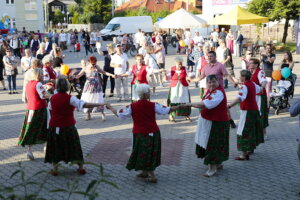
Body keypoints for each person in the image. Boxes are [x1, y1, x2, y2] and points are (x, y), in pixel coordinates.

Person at [106, 84, 184, 183]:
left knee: (143, 152)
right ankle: (146, 173)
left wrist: (110, 107)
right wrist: (180, 106)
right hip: (152, 132)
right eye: (149, 91)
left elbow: (119, 113)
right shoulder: (154, 105)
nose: (150, 93)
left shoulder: (132, 106)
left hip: (139, 133)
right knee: (149, 153)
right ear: (146, 94)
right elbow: (167, 110)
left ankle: (151, 175)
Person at [45, 78, 108, 176]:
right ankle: (81, 167)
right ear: (67, 86)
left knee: (56, 147)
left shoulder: (52, 98)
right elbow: (85, 105)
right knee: (74, 147)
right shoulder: (71, 98)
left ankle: (55, 168)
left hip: (54, 126)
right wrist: (100, 104)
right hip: (68, 126)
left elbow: (50, 109)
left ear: (57, 86)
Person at [186, 74, 230, 177]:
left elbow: (207, 104)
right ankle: (218, 163)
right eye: (209, 82)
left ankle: (212, 168)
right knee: (214, 143)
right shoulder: (210, 91)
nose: (211, 84)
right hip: (210, 121)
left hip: (217, 122)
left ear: (218, 81)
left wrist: (190, 104)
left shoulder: (218, 92)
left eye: (213, 82)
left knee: (213, 144)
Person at [189, 51, 237, 128]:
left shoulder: (220, 66)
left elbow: (226, 75)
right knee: (205, 104)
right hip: (209, 90)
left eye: (211, 56)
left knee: (223, 107)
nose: (209, 58)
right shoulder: (206, 67)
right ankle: (207, 119)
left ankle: (230, 120)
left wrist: (233, 82)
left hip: (219, 90)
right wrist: (192, 80)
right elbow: (201, 77)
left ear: (215, 57)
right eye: (208, 56)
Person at [228, 70, 261, 160]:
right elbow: (260, 89)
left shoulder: (244, 86)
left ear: (243, 77)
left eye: (240, 76)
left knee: (243, 131)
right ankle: (249, 149)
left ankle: (243, 154)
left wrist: (230, 105)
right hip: (254, 110)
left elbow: (240, 98)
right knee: (251, 131)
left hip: (247, 111)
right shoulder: (253, 84)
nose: (239, 77)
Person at [18, 68, 51, 160]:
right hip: (40, 109)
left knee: (31, 129)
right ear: (36, 75)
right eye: (40, 74)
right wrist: (51, 94)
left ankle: (29, 150)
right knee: (45, 127)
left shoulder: (29, 83)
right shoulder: (38, 84)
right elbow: (43, 95)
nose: (42, 75)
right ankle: (46, 146)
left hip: (30, 109)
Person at [76, 56, 114, 121]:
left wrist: (112, 75)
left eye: (95, 63)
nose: (94, 64)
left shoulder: (97, 67)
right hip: (88, 86)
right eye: (92, 63)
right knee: (87, 100)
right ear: (89, 62)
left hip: (97, 86)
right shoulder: (85, 68)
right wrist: (73, 76)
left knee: (98, 99)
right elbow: (78, 75)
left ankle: (103, 114)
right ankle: (88, 114)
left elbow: (104, 72)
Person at [166, 57, 191, 122]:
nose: (180, 65)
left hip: (183, 87)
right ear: (175, 63)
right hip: (174, 88)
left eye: (181, 64)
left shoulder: (185, 68)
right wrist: (165, 75)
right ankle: (171, 116)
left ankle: (187, 115)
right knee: (173, 100)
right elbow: (167, 78)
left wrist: (190, 77)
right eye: (178, 64)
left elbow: (190, 74)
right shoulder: (171, 69)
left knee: (185, 100)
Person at [249, 58, 268, 141]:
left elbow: (264, 81)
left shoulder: (260, 72)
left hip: (260, 96)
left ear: (256, 65)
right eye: (249, 63)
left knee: (261, 113)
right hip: (253, 97)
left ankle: (263, 133)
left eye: (251, 63)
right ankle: (256, 132)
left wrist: (261, 87)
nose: (249, 65)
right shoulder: (251, 72)